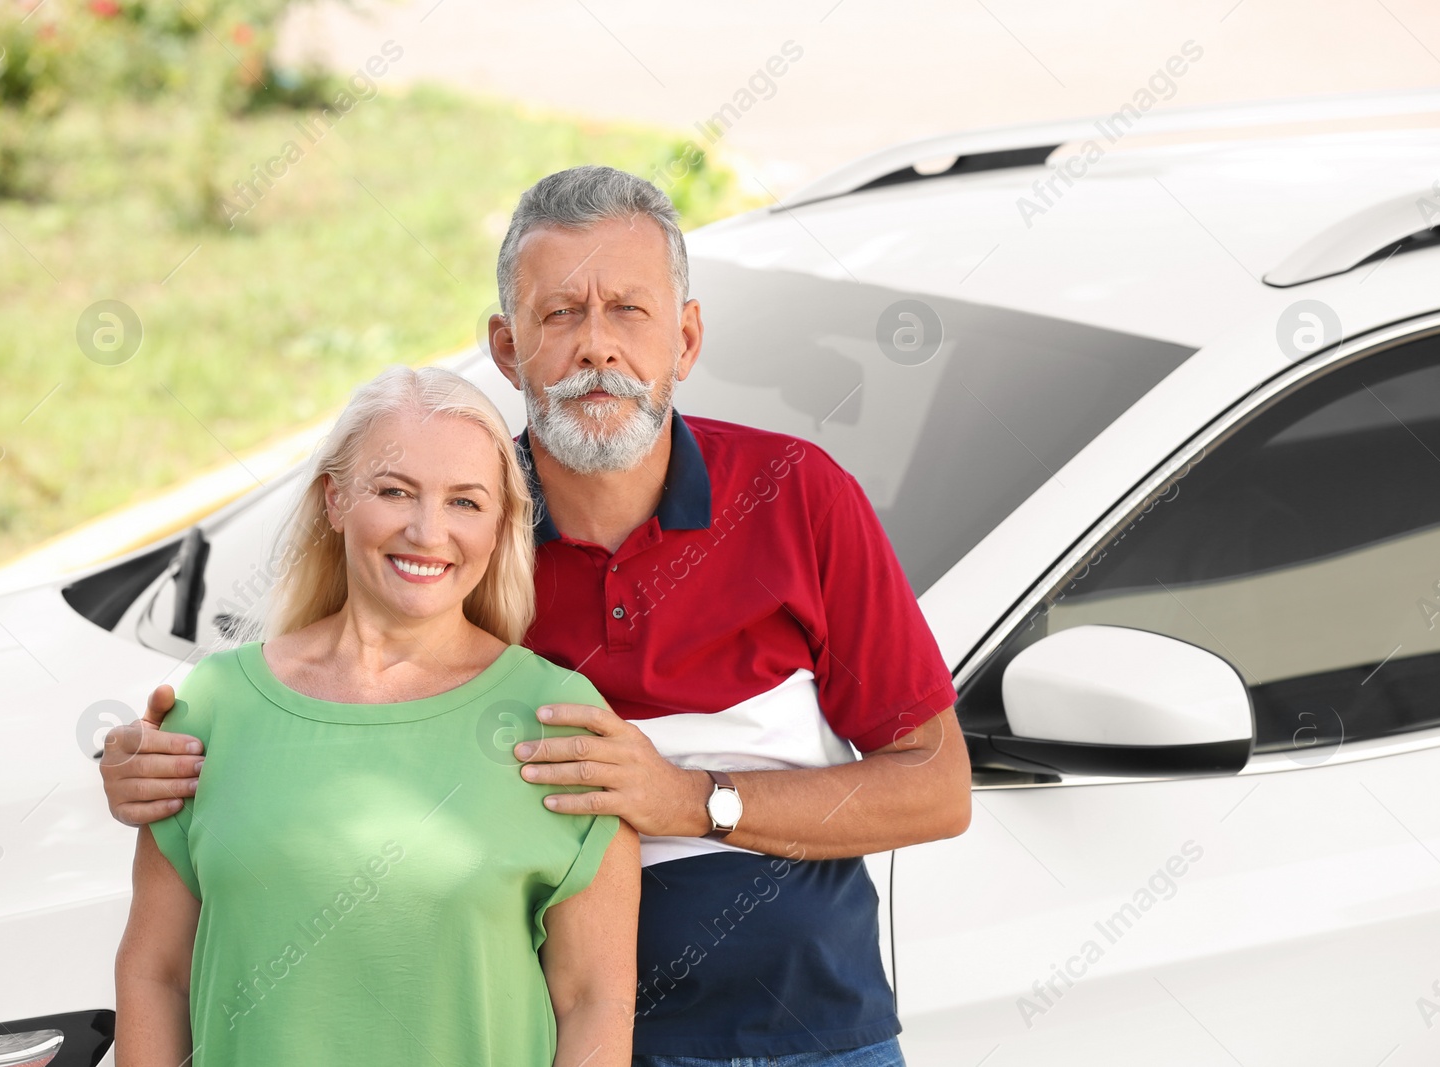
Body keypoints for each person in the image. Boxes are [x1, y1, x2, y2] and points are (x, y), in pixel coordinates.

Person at [104, 166, 971, 1066]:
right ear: (508, 349)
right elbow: (326, 700)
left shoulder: (800, 496)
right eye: (559, 314)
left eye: (628, 311)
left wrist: (688, 799)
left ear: (686, 336)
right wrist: (167, 761)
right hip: (548, 1033)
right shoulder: (465, 529)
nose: (597, 348)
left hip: (805, 1034)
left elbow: (939, 786)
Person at [112, 366, 639, 1067]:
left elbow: (594, 1001)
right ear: (335, 498)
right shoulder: (211, 709)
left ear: (501, 525)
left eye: (465, 502)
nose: (427, 531)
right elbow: (157, 975)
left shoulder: (560, 725)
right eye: (394, 491)